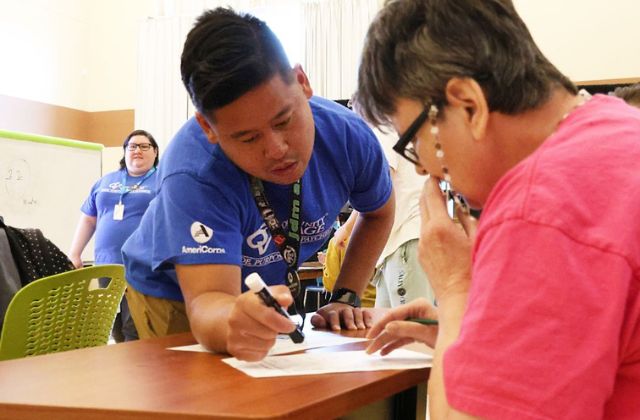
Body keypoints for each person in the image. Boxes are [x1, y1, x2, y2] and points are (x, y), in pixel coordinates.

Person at [354, 0, 640, 419]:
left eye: (412, 141)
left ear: (468, 105)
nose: (425, 166)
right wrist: (480, 333)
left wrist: (455, 291)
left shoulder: (539, 209)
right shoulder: (617, 127)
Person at [121, 7, 394, 362]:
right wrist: (231, 319)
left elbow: (378, 213)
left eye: (284, 120)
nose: (277, 150)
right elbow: (206, 303)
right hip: (172, 292)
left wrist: (346, 296)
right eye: (247, 138)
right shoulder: (194, 172)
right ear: (209, 129)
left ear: (302, 81)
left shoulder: (348, 137)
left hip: (256, 288)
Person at [69, 129, 159, 342]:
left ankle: (134, 371)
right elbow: (89, 218)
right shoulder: (105, 181)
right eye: (132, 146)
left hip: (141, 267)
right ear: (125, 152)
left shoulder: (162, 180)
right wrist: (75, 253)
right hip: (106, 266)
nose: (137, 150)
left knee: (134, 326)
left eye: (144, 146)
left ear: (155, 152)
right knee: (110, 325)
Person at [333, 126, 434, 307]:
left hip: (405, 241)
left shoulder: (381, 126)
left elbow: (379, 188)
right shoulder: (389, 124)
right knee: (388, 331)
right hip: (398, 244)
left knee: (410, 331)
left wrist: (347, 228)